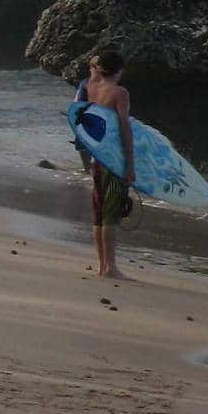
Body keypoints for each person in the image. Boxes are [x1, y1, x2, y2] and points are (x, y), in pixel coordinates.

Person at [72, 45, 135, 283]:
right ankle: (111, 267)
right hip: (114, 159)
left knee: (98, 214)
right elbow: (124, 128)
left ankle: (102, 266)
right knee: (111, 215)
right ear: (119, 71)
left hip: (97, 157)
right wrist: (130, 164)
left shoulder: (90, 87)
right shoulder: (119, 93)